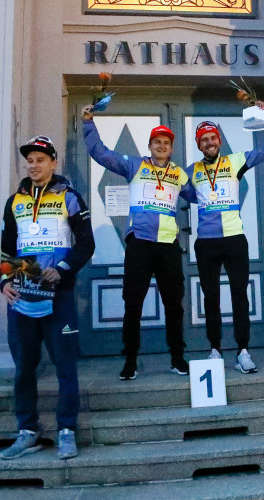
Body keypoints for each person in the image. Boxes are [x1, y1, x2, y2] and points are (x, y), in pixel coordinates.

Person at [82, 105, 194, 381]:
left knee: (174, 305)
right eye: (157, 142)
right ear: (150, 145)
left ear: (171, 148)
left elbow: (200, 195)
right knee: (133, 304)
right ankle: (130, 360)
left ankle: (177, 357)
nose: (161, 146)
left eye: (166, 143)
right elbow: (101, 153)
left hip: (168, 244)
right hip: (139, 244)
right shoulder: (134, 165)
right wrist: (88, 123)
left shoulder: (179, 174)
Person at [0, 136, 94, 460]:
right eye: (30, 160)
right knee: (24, 366)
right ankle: (28, 430)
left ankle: (67, 429)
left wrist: (64, 269)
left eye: (41, 159)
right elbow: (7, 250)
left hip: (59, 295)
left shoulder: (70, 197)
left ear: (53, 163)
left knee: (65, 364)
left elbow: (86, 244)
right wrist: (4, 282)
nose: (34, 164)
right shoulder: (14, 202)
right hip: (22, 297)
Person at [185, 106, 264, 373]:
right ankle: (215, 350)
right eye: (204, 139)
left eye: (212, 137)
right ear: (199, 144)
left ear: (219, 141)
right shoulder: (191, 170)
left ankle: (243, 351)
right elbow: (182, 193)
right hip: (206, 242)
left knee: (239, 296)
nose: (209, 142)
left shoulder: (235, 161)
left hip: (234, 239)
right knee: (210, 298)